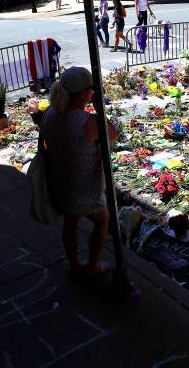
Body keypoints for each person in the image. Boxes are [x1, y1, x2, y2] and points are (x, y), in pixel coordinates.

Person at [41, 67, 119, 279]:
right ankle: (93, 266)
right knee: (103, 221)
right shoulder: (88, 122)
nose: (94, 92)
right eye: (91, 89)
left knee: (71, 222)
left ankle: (75, 265)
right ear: (83, 94)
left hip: (60, 182)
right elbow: (113, 136)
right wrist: (99, 110)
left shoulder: (50, 114)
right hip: (84, 188)